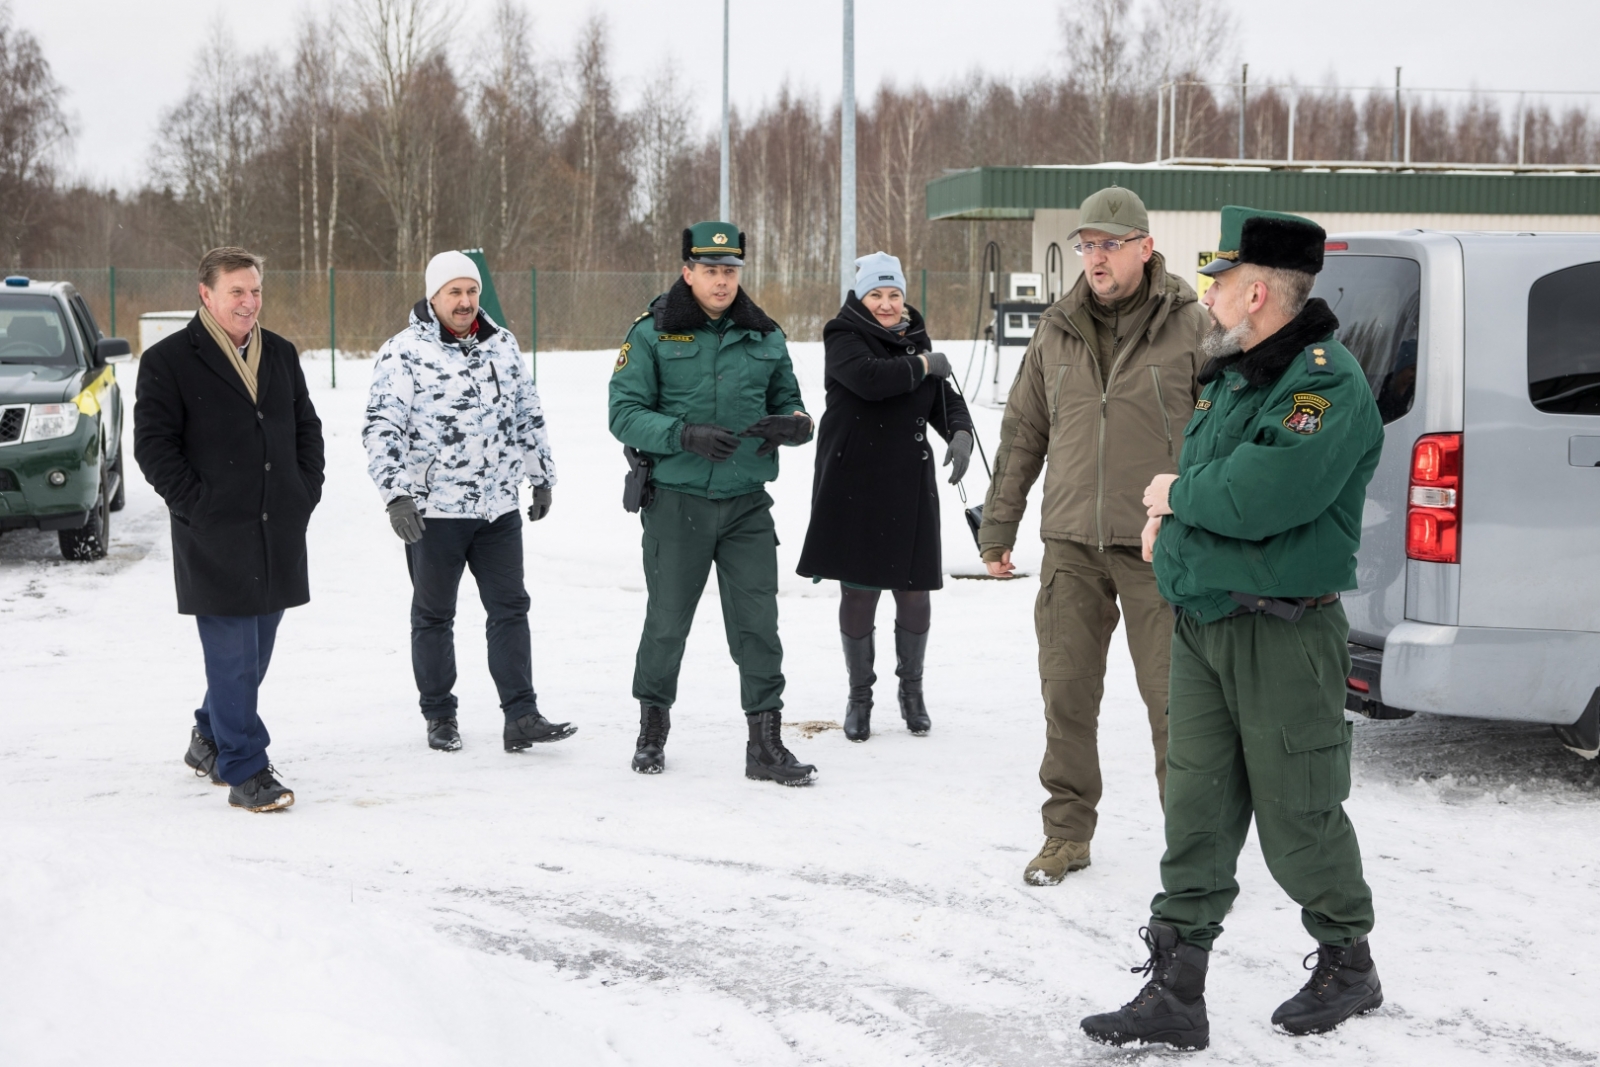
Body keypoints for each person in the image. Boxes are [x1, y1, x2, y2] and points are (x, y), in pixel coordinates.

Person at [1081, 207, 1386, 1049]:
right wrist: (1175, 518)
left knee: (1300, 816)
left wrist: (1170, 498)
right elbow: (1216, 475)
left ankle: (1348, 961)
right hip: (1205, 621)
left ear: (1257, 291)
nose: (1208, 292)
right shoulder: (1234, 372)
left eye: (1220, 280)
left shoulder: (1324, 383)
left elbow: (1261, 494)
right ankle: (1177, 989)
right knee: (1196, 809)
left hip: (1283, 634)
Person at [977, 186, 1206, 884]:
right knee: (1067, 694)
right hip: (1071, 542)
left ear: (1145, 246)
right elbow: (1023, 432)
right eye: (1087, 244)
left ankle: (1194, 851)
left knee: (1175, 704)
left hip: (1156, 546)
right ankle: (1066, 834)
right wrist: (999, 524)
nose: (1096, 257)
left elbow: (1222, 434)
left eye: (1109, 244)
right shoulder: (1057, 328)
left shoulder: (1192, 327)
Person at [608, 221, 816, 784]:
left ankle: (765, 746)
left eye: (730, 271)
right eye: (711, 271)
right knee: (668, 622)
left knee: (759, 625)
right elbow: (623, 413)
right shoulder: (652, 333)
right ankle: (652, 731)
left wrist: (796, 427)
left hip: (747, 504)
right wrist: (684, 435)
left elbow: (791, 403)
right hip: (678, 503)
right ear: (688, 273)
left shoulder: (765, 334)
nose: (722, 281)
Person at [134, 247, 324, 812]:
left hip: (277, 526)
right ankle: (246, 769)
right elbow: (153, 446)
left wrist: (303, 490)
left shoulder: (281, 354)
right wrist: (199, 505)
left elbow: (306, 429)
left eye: (256, 290)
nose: (249, 302)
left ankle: (209, 736)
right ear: (206, 294)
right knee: (235, 653)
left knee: (254, 653)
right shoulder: (169, 360)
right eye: (237, 291)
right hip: (213, 531)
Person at [363, 250, 573, 754]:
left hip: (497, 507)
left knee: (510, 609)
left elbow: (527, 412)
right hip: (434, 512)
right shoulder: (403, 352)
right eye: (454, 292)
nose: (464, 301)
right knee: (434, 615)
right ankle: (439, 715)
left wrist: (540, 476)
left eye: (471, 291)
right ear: (433, 296)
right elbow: (381, 427)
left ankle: (521, 714)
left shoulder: (502, 344)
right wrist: (397, 494)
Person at [795, 251, 974, 741]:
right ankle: (860, 696)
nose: (888, 304)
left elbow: (943, 398)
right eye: (877, 294)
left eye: (894, 294)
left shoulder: (915, 337)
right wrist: (922, 364)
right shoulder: (843, 335)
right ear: (860, 297)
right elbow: (871, 381)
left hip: (909, 482)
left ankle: (911, 692)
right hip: (854, 481)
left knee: (914, 591)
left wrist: (960, 432)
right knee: (859, 590)